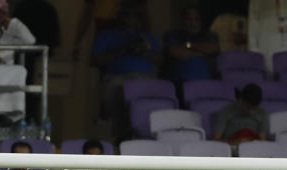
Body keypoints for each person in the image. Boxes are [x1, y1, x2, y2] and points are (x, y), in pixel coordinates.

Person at [92, 3, 160, 139]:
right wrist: (124, 49)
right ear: (119, 17)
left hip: (145, 80)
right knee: (116, 89)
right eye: (126, 16)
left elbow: (161, 61)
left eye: (134, 16)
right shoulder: (108, 35)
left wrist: (145, 51)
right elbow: (96, 61)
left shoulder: (147, 37)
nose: (129, 19)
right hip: (118, 79)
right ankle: (121, 134)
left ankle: (143, 136)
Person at [164, 5, 220, 87]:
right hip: (180, 84)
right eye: (189, 19)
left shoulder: (209, 35)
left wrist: (188, 45)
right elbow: (177, 53)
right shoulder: (173, 35)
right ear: (182, 21)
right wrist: (202, 52)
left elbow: (214, 48)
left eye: (196, 19)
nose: (193, 23)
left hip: (208, 83)